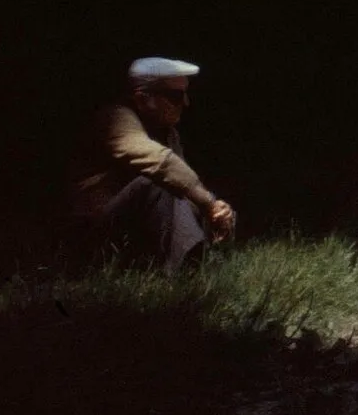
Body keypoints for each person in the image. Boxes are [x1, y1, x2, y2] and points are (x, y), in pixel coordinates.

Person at [68, 57, 236, 273]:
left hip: (131, 233)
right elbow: (161, 164)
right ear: (141, 98)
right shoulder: (114, 118)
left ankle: (200, 261)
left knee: (211, 205)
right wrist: (208, 202)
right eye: (175, 96)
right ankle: (190, 269)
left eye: (185, 94)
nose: (186, 103)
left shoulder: (167, 132)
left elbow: (185, 189)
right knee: (156, 185)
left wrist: (216, 211)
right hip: (91, 237)